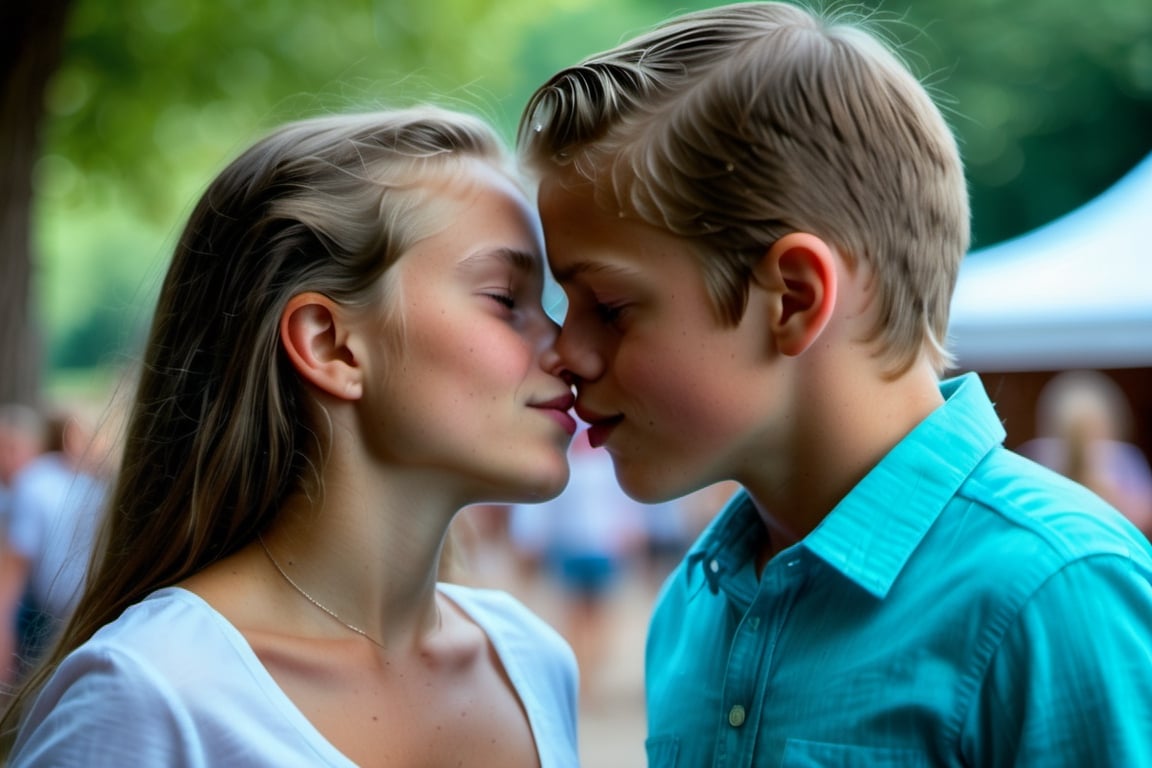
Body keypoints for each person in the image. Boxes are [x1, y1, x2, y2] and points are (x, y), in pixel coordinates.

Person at [518, 3, 1152, 765]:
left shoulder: (1053, 594)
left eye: (611, 307)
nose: (565, 352)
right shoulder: (694, 603)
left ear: (793, 299)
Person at [1, 106, 581, 767]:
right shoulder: (149, 697)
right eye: (507, 300)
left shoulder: (534, 664)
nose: (569, 350)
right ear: (330, 344)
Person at [1019, 369, 1152, 539]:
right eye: (1079, 429)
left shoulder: (1123, 458)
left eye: (1093, 426)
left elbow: (1143, 518)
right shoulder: (1038, 458)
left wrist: (1110, 493)